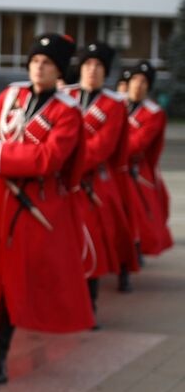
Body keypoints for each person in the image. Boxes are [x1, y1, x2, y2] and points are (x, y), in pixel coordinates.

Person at [0, 34, 93, 384]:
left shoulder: (67, 112)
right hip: (2, 198)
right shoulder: (12, 95)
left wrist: (1, 153)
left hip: (37, 203)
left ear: (59, 70)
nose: (39, 66)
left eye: (48, 63)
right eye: (35, 60)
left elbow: (48, 159)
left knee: (14, 279)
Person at [64, 42, 135, 302]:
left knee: (99, 236)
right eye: (87, 65)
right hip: (63, 180)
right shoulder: (66, 98)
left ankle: (90, 300)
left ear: (106, 72)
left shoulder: (113, 105)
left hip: (93, 181)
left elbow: (101, 147)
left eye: (98, 66)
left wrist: (59, 161)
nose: (92, 70)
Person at [124, 60, 173, 256]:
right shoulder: (117, 104)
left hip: (136, 171)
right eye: (135, 79)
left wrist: (107, 147)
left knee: (140, 219)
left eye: (143, 81)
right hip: (112, 168)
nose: (138, 84)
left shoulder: (154, 113)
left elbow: (138, 144)